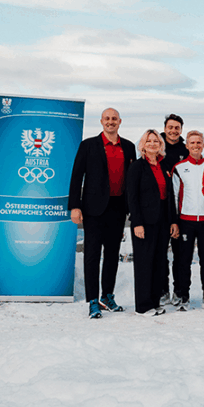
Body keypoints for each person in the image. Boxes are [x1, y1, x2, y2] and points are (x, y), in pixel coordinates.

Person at [68, 107, 137, 319]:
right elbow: (77, 176)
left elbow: (133, 180)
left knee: (112, 256)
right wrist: (75, 206)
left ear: (120, 121)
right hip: (93, 209)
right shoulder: (88, 145)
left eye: (114, 119)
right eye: (107, 118)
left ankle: (107, 295)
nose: (110, 122)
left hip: (117, 208)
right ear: (101, 121)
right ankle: (92, 301)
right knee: (91, 255)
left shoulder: (129, 147)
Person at [126, 129, 178, 315]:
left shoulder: (164, 165)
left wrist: (173, 221)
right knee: (144, 263)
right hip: (144, 222)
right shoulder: (137, 167)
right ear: (143, 145)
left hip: (163, 221)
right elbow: (132, 197)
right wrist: (137, 223)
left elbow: (169, 196)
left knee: (158, 262)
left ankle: (155, 301)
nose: (153, 144)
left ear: (160, 144)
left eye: (156, 141)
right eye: (149, 141)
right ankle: (143, 306)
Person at [170, 129, 204, 310]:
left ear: (203, 145)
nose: (196, 145)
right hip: (186, 220)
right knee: (184, 260)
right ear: (186, 145)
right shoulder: (179, 168)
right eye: (192, 142)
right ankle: (184, 295)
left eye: (199, 142)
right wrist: (175, 221)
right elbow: (174, 196)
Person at [158, 114, 189, 307]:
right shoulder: (156, 146)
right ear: (165, 128)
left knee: (181, 255)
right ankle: (162, 290)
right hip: (160, 209)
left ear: (181, 129)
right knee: (161, 254)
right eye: (170, 127)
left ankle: (180, 291)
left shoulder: (184, 150)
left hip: (180, 209)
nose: (173, 131)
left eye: (177, 128)